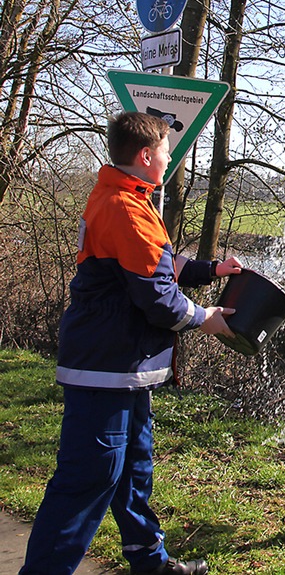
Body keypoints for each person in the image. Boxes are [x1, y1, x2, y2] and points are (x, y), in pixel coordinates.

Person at [20, 111, 242, 575]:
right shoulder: (125, 207)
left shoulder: (124, 197)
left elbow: (157, 264)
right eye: (165, 151)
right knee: (90, 477)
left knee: (133, 470)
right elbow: (159, 298)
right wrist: (207, 318)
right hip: (105, 369)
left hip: (124, 368)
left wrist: (212, 270)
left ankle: (150, 562)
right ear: (146, 156)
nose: (169, 159)